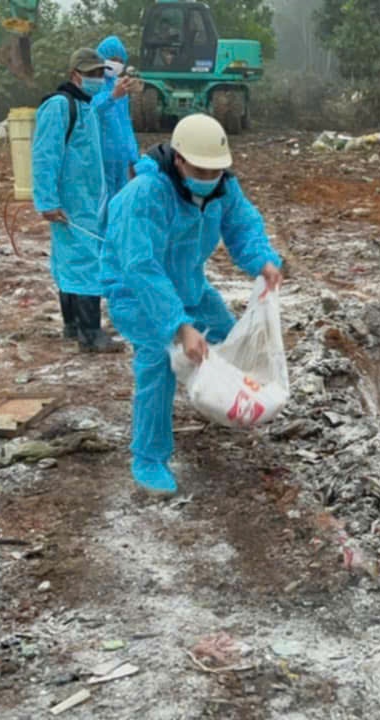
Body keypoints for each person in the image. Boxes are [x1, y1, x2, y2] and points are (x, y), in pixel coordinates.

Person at [102, 114, 283, 494]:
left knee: (228, 337)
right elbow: (141, 266)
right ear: (179, 160)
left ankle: (226, 399)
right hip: (136, 290)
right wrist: (179, 327)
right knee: (159, 361)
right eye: (201, 171)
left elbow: (243, 226)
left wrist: (263, 261)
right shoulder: (145, 195)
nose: (209, 178)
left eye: (216, 171)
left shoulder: (222, 187)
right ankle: (148, 457)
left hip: (189, 283)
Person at [31, 47, 123, 354]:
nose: (97, 79)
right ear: (75, 75)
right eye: (91, 74)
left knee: (70, 261)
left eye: (100, 73)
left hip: (86, 201)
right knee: (85, 262)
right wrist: (47, 200)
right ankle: (91, 333)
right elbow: (45, 156)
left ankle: (72, 325)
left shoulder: (86, 108)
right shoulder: (60, 106)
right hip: (71, 202)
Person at [94, 36, 141, 196]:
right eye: (113, 59)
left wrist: (133, 157)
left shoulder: (120, 87)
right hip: (99, 156)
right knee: (101, 200)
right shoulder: (93, 83)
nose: (117, 64)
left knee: (120, 200)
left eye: (121, 61)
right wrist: (112, 96)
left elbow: (125, 124)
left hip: (120, 157)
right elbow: (90, 111)